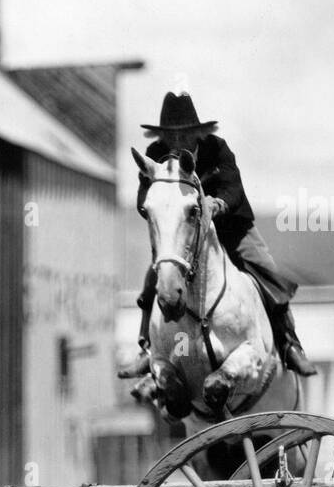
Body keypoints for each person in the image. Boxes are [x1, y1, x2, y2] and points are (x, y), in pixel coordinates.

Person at [119, 92, 317, 378]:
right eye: (170, 135)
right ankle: (147, 349)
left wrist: (216, 203)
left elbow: (233, 190)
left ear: (197, 132)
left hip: (230, 228)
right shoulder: (153, 156)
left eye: (184, 134)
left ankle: (289, 344)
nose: (177, 142)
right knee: (155, 279)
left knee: (267, 270)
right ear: (162, 135)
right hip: (183, 231)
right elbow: (142, 198)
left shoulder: (218, 149)